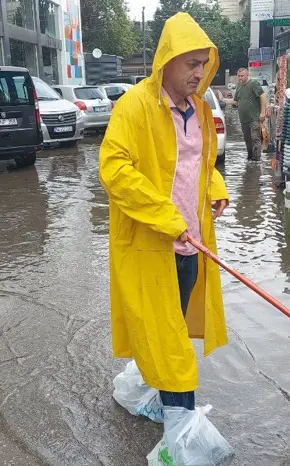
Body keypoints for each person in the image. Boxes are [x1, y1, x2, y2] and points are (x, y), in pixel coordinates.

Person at [99, 12, 230, 413]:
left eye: (203, 65)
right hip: (151, 244)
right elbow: (114, 169)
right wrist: (165, 217)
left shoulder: (201, 112)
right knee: (167, 338)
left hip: (191, 243)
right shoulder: (134, 106)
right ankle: (184, 437)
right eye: (191, 64)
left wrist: (216, 187)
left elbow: (200, 164)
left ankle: (156, 395)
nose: (198, 73)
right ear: (167, 60)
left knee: (170, 328)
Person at [223, 68, 267, 161]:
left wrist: (263, 112)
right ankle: (250, 158)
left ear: (247, 75)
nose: (240, 78)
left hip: (254, 118)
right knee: (247, 139)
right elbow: (235, 101)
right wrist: (223, 99)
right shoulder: (239, 87)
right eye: (238, 76)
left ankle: (256, 160)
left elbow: (262, 96)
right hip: (244, 119)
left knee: (255, 138)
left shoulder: (253, 84)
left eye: (242, 76)